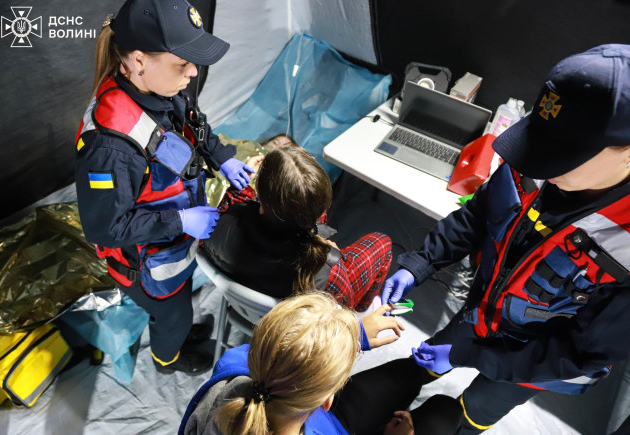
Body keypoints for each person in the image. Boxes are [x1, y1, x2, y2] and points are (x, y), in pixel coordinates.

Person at [331, 44, 630, 434]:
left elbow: (579, 355)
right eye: (541, 139)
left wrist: (472, 356)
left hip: (537, 366)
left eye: (562, 152)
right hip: (479, 317)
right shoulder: (532, 161)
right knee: (418, 367)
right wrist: (421, 262)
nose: (541, 162)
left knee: (471, 412)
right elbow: (476, 216)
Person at [74, 0, 254, 375]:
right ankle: (168, 360)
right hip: (143, 261)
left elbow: (194, 125)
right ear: (139, 61)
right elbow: (105, 228)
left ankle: (180, 331)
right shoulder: (109, 149)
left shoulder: (163, 88)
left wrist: (222, 157)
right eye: (182, 63)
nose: (193, 72)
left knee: (181, 298)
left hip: (172, 243)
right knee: (173, 315)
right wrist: (180, 221)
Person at [179, 292, 410, 434]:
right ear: (327, 401)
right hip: (337, 426)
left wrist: (344, 341)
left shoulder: (231, 368)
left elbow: (280, 353)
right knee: (412, 382)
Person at [202, 143, 393, 311]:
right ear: (318, 211)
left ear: (258, 188)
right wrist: (333, 258)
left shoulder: (216, 228)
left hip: (248, 301)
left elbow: (229, 210)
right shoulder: (326, 271)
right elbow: (341, 310)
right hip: (296, 324)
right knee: (382, 242)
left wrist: (241, 186)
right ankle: (363, 309)